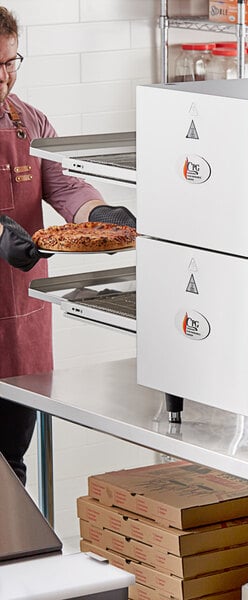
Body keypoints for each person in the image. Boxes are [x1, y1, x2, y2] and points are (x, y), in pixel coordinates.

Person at [0, 6, 136, 485]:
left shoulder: (29, 121)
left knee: (12, 464)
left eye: (11, 63)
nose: (4, 78)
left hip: (23, 327)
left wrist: (98, 215)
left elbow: (63, 185)